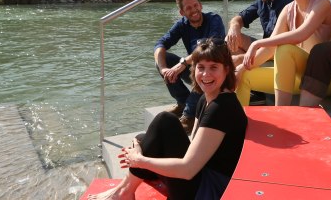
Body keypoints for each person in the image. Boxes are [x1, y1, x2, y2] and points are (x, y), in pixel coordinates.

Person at [91, 39, 248, 200]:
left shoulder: (221, 108)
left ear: (226, 70)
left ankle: (123, 192)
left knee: (165, 121)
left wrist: (140, 160)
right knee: (142, 140)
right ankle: (124, 189)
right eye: (201, 67)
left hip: (208, 191)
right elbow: (193, 146)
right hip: (202, 176)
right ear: (194, 69)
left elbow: (188, 170)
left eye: (213, 67)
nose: (206, 74)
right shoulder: (206, 99)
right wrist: (142, 152)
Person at [234, 0, 331, 106]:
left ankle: (281, 112)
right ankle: (239, 126)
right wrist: (242, 67)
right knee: (244, 75)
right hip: (299, 75)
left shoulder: (321, 4)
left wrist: (256, 43)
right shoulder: (288, 9)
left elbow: (300, 35)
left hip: (325, 80)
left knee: (284, 49)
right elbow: (269, 49)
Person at [154, 0, 226, 134]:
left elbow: (209, 46)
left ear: (201, 5)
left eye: (195, 5)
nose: (194, 10)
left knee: (202, 68)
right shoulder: (182, 25)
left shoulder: (214, 19)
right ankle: (182, 102)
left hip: (216, 72)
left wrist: (182, 64)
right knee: (164, 59)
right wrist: (163, 69)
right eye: (188, 8)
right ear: (182, 12)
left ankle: (189, 115)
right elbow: (160, 44)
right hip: (195, 69)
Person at [226, 0, 294, 104]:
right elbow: (239, 18)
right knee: (230, 40)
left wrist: (243, 58)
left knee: (237, 60)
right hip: (266, 46)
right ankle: (255, 93)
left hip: (282, 52)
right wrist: (234, 27)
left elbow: (277, 45)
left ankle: (251, 90)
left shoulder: (289, 1)